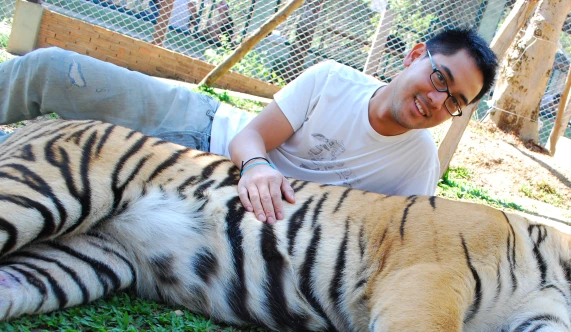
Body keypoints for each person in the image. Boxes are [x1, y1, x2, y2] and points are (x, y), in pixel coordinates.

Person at [0, 28, 498, 223]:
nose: (435, 101)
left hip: (214, 206)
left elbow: (396, 234)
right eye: (439, 78)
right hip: (203, 132)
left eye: (454, 101)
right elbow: (249, 137)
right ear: (415, 55)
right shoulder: (332, 81)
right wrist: (257, 166)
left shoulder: (417, 166)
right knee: (54, 70)